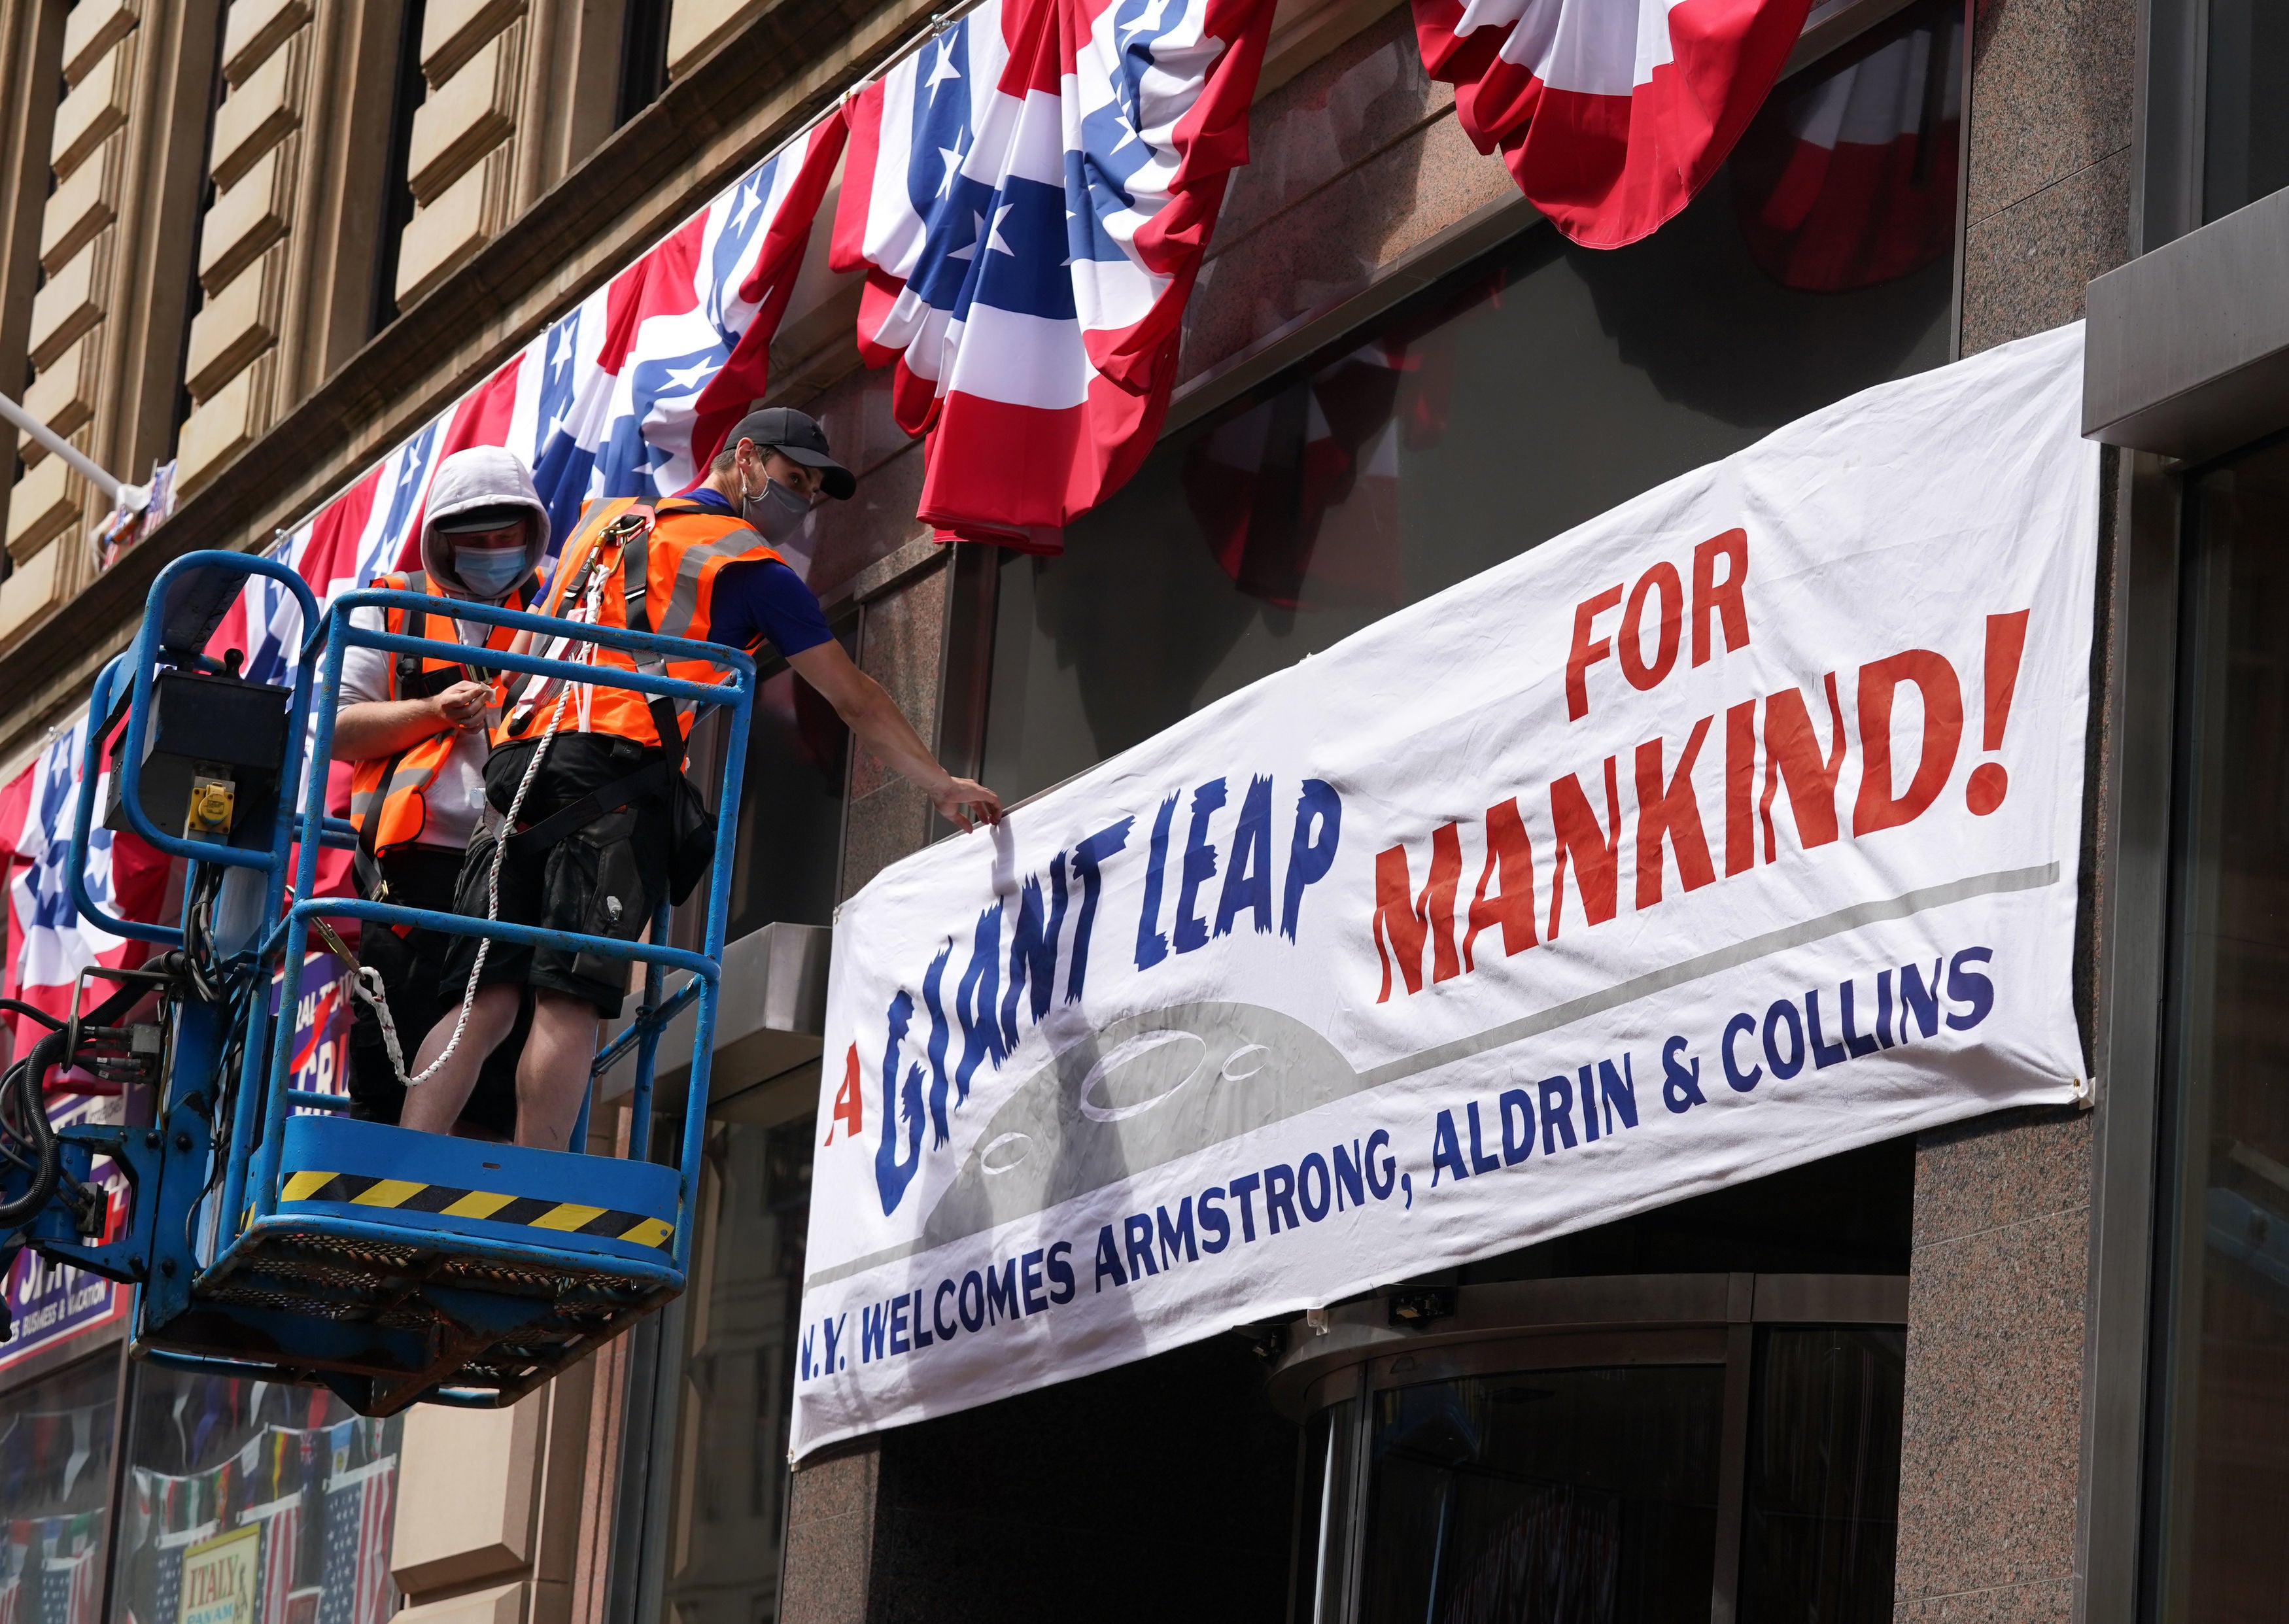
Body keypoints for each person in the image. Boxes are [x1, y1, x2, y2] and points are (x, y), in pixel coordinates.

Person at [401, 407, 1002, 1149]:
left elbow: (534, 648)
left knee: (480, 1001)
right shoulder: (749, 565)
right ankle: (534, 1184)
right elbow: (854, 698)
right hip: (612, 781)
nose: (801, 501)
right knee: (569, 999)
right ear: (743, 458)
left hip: (514, 774)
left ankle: (401, 1162)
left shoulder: (602, 521)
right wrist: (940, 783)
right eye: (793, 479)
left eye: (812, 491)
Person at [331, 446, 549, 1137]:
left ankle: (482, 1191)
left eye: (506, 537)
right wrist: (434, 710)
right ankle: (381, 1186)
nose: (493, 552)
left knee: (498, 1071)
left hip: (519, 862)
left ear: (531, 532)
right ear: (442, 542)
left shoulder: (560, 607)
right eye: (475, 542)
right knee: (389, 1056)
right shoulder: (391, 606)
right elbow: (337, 728)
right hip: (411, 873)